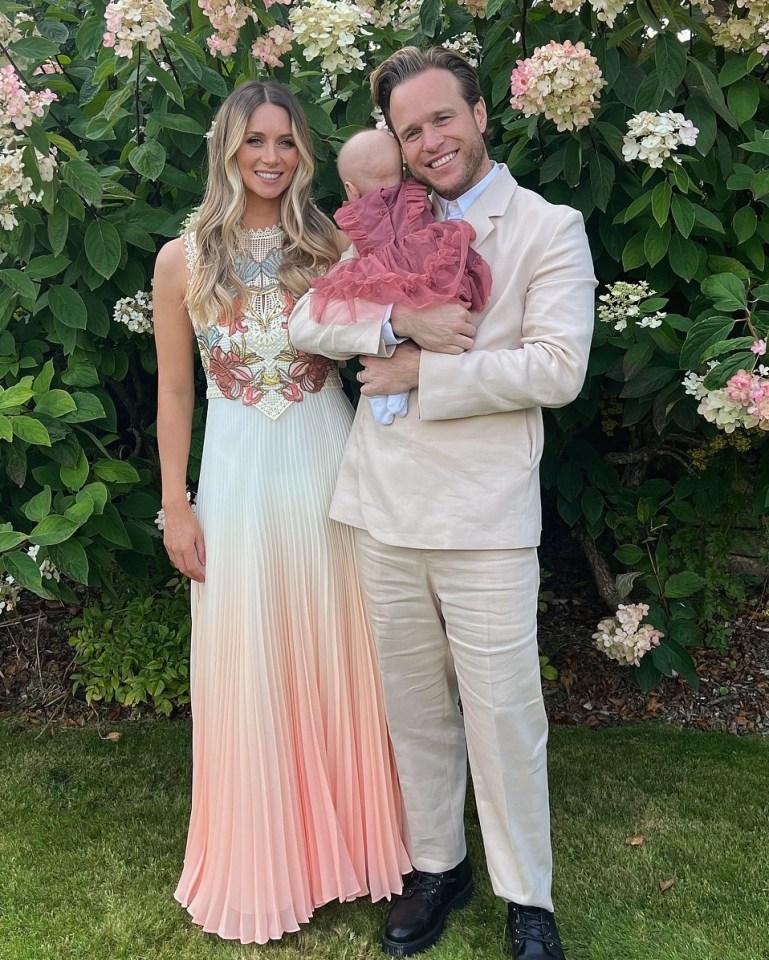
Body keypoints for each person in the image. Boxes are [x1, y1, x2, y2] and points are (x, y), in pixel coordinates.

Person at [289, 47, 596, 960]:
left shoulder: (548, 226)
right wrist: (395, 322)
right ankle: (437, 865)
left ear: (480, 116)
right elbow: (311, 318)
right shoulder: (382, 218)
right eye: (409, 129)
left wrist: (426, 367)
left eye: (441, 119)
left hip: (484, 515)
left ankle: (525, 896)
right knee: (413, 705)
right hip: (384, 508)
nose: (429, 141)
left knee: (504, 714)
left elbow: (557, 368)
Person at [152, 80, 409, 946]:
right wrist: (175, 505)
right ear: (226, 147)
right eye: (254, 141)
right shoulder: (181, 258)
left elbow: (389, 337)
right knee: (249, 653)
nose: (270, 158)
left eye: (287, 142)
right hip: (235, 476)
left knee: (343, 649)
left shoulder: (330, 245)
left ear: (304, 152)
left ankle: (358, 850)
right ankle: (268, 858)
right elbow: (176, 390)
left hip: (327, 465)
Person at [311, 128, 491, 425]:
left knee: (366, 306)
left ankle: (386, 399)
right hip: (429, 273)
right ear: (403, 168)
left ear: (350, 189)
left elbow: (362, 252)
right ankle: (397, 390)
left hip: (384, 280)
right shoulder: (415, 194)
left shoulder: (356, 214)